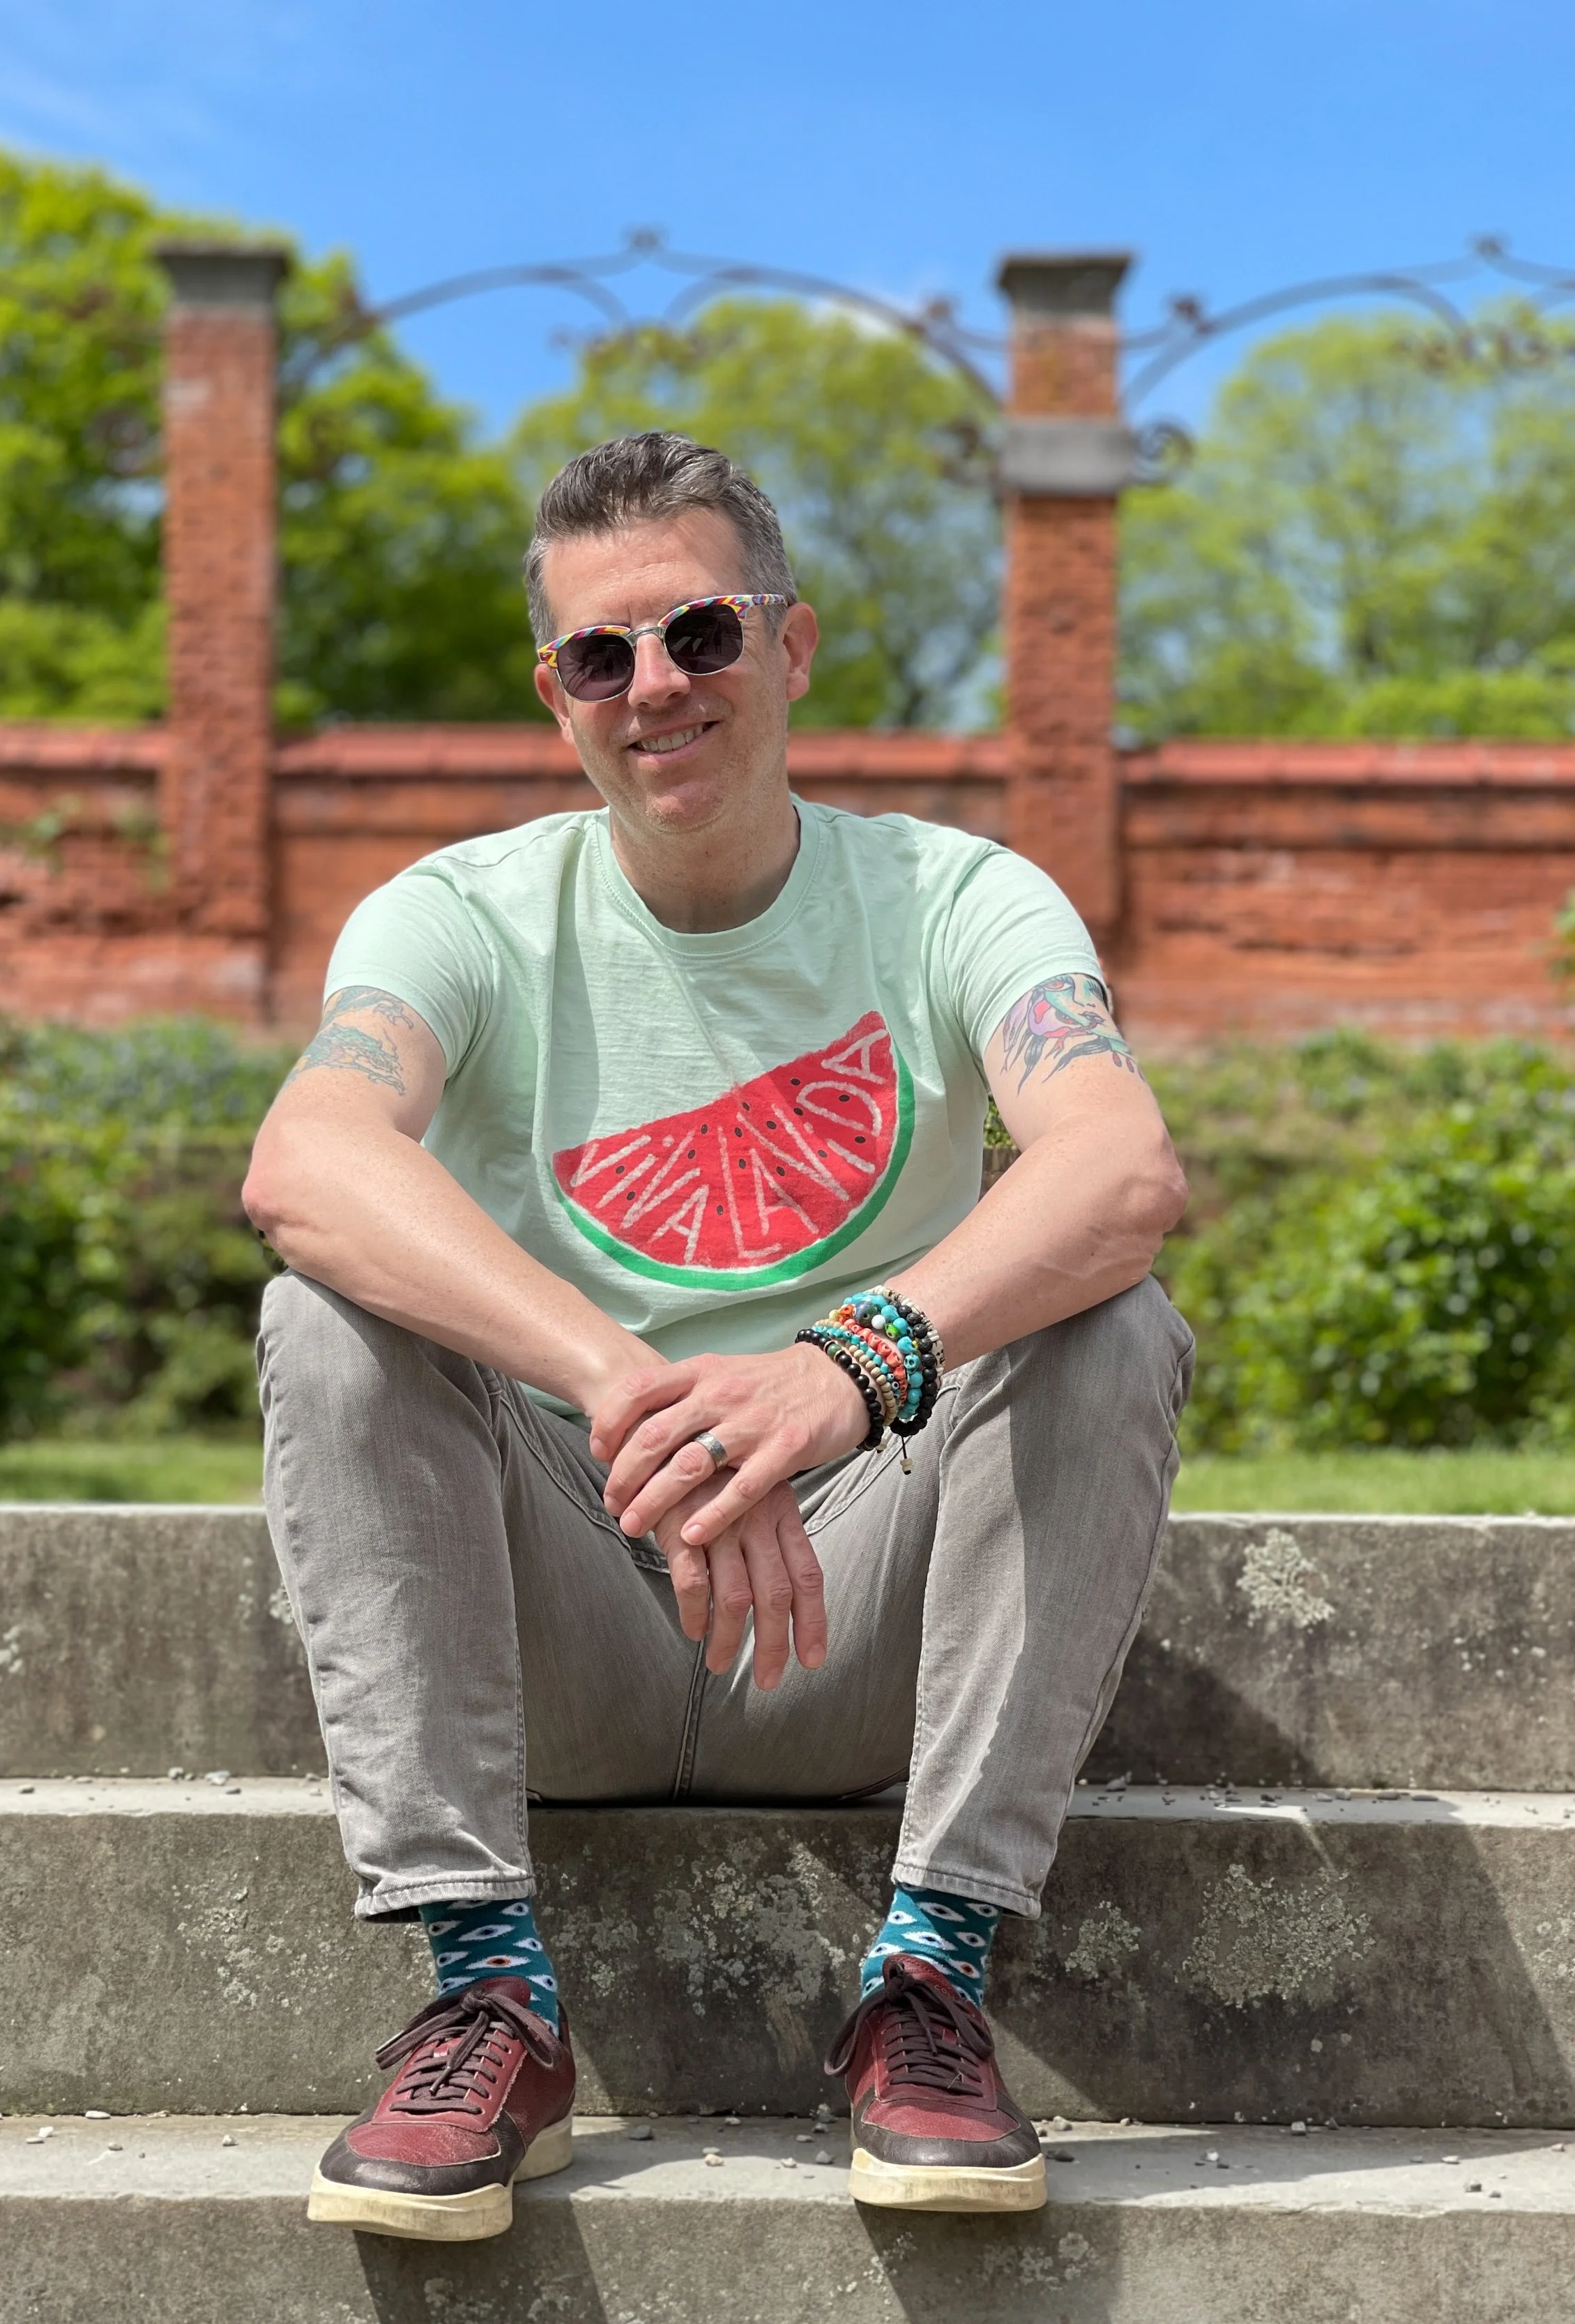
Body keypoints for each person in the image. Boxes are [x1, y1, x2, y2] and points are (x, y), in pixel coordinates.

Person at [243, 430, 1192, 2243]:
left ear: (792, 645)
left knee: (1111, 1320)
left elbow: (1121, 1162)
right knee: (325, 1318)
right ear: (556, 695)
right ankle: (485, 1990)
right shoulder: (456, 912)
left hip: (867, 1619)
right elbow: (302, 1159)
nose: (654, 686)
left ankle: (927, 1976)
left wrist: (840, 1371)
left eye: (699, 633)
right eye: (602, 655)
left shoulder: (956, 896)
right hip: (568, 1607)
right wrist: (622, 1378)